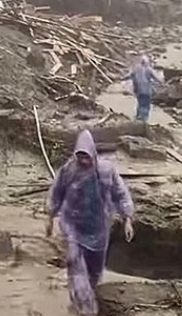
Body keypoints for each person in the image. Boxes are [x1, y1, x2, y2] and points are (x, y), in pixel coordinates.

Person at [47, 129, 135, 316]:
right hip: (73, 227)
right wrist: (50, 217)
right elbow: (56, 193)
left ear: (93, 153)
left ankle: (86, 298)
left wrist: (127, 218)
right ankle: (85, 309)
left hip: (99, 228)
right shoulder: (68, 171)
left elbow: (120, 192)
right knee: (76, 267)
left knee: (95, 271)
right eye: (80, 157)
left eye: (86, 156)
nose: (83, 161)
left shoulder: (106, 170)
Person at [126, 55, 162, 122]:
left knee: (140, 104)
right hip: (146, 91)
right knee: (146, 105)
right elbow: (157, 78)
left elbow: (129, 76)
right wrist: (162, 83)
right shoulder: (148, 69)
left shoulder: (136, 69)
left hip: (138, 90)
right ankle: (143, 119)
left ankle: (138, 117)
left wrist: (119, 78)